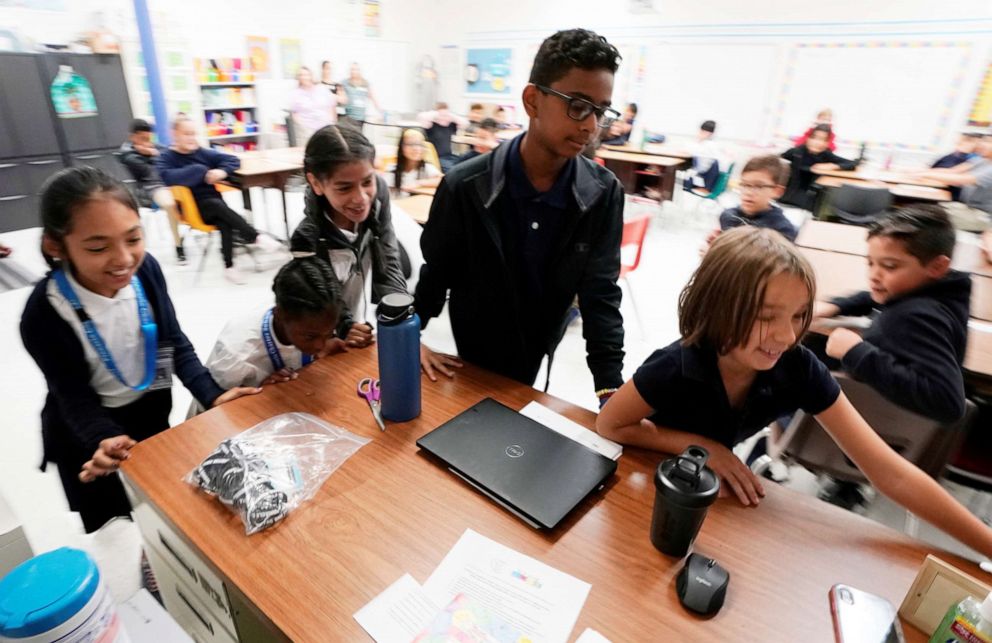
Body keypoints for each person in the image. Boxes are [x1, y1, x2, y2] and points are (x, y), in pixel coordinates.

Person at [595, 227, 992, 558]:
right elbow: (611, 423)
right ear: (715, 307)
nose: (787, 336)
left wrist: (987, 546)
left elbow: (889, 471)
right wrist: (701, 446)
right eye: (767, 317)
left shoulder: (797, 366)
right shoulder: (676, 364)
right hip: (645, 493)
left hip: (711, 508)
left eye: (799, 315)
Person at [19, 167, 259, 532]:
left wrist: (213, 394)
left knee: (161, 510)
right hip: (90, 440)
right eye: (98, 247)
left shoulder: (145, 271)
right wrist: (103, 438)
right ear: (56, 246)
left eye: (133, 238)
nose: (123, 259)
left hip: (150, 420)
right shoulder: (44, 313)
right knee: (116, 519)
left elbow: (174, 343)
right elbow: (72, 396)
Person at [415, 28, 626, 406]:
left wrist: (609, 389)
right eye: (577, 105)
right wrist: (408, 338)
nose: (591, 125)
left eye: (601, 111)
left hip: (539, 344)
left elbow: (600, 294)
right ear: (532, 100)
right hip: (473, 356)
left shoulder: (602, 194)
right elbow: (437, 272)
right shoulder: (466, 186)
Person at [813, 206, 969, 422]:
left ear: (937, 266)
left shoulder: (914, 317)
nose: (873, 275)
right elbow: (888, 296)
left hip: (877, 427)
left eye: (889, 266)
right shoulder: (940, 292)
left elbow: (947, 402)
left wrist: (855, 352)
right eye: (871, 263)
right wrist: (838, 305)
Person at [290, 125, 407, 348]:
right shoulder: (307, 238)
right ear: (316, 183)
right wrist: (343, 324)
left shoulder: (379, 194)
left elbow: (388, 258)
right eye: (344, 188)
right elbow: (322, 296)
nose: (361, 198)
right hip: (323, 330)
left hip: (355, 313)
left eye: (367, 182)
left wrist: (400, 321)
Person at [157, 117, 282, 284]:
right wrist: (200, 170)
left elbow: (233, 160)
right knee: (217, 206)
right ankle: (254, 237)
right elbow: (167, 177)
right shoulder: (167, 158)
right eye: (186, 134)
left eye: (193, 134)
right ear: (174, 134)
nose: (191, 138)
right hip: (191, 210)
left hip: (215, 205)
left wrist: (221, 172)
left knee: (225, 222)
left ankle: (229, 267)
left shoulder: (202, 153)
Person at [203, 256, 345, 391]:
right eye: (310, 337)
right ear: (279, 315)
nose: (320, 345)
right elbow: (213, 409)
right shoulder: (236, 353)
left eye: (328, 333)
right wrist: (258, 393)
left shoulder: (304, 316)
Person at [118, 119, 187, 264]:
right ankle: (178, 245)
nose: (146, 142)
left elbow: (170, 155)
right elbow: (147, 171)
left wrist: (154, 153)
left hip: (169, 182)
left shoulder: (154, 148)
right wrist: (154, 154)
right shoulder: (126, 154)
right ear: (133, 137)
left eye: (148, 138)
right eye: (142, 138)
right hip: (150, 188)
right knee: (169, 203)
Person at [912, 132, 992, 232]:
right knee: (922, 209)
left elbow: (962, 180)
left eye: (989, 142)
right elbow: (953, 171)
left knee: (924, 218)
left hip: (981, 216)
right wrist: (922, 171)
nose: (982, 144)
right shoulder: (981, 160)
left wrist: (926, 174)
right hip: (966, 208)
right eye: (984, 140)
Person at [709, 155, 795, 245]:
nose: (748, 192)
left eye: (758, 186)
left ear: (777, 191)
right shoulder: (728, 215)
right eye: (744, 185)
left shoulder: (781, 230)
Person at [779, 124, 856, 211]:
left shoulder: (826, 154)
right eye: (814, 138)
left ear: (827, 143)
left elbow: (853, 164)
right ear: (808, 138)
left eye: (823, 140)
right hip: (788, 199)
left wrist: (833, 166)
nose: (818, 142)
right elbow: (778, 161)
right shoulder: (796, 152)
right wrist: (811, 169)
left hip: (810, 201)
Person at [289, 66, 337, 144]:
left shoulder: (322, 89)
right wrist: (302, 126)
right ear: (298, 78)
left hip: (326, 128)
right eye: (301, 75)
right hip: (307, 131)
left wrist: (333, 123)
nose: (305, 77)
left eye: (307, 75)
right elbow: (294, 113)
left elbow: (332, 106)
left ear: (311, 76)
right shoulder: (295, 94)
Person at [417, 102, 469, 172]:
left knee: (467, 164)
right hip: (436, 157)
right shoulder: (431, 125)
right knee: (453, 171)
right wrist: (437, 114)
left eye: (445, 112)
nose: (443, 115)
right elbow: (421, 117)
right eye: (441, 112)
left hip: (449, 156)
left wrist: (450, 115)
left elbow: (465, 123)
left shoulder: (450, 125)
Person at [393, 128, 442, 193]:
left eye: (420, 145)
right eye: (411, 144)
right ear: (401, 147)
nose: (416, 148)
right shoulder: (392, 169)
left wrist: (418, 183)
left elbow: (443, 180)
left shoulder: (427, 168)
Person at [683, 120, 721, 195]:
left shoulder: (709, 145)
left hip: (701, 175)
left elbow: (700, 166)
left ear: (710, 134)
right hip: (700, 174)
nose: (701, 133)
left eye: (704, 132)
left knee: (685, 170)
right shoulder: (701, 143)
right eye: (701, 131)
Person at [340, 63, 381, 129]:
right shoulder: (344, 83)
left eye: (356, 69)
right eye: (352, 69)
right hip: (349, 118)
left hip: (361, 118)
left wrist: (380, 111)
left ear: (359, 71)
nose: (354, 71)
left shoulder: (365, 83)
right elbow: (341, 97)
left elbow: (373, 97)